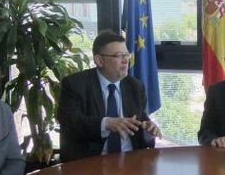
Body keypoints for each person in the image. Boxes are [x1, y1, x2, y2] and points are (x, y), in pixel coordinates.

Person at [58, 30, 162, 162]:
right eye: (119, 56)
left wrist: (148, 128)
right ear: (99, 60)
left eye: (127, 55)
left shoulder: (135, 87)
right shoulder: (75, 85)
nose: (125, 61)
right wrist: (106, 124)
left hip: (131, 162)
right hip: (91, 165)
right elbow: (71, 124)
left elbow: (140, 121)